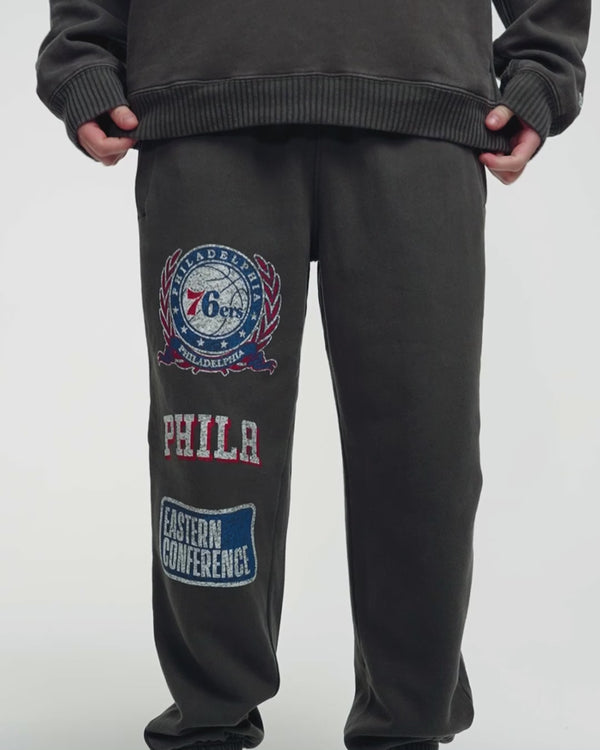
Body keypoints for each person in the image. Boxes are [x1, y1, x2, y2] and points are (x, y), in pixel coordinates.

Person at [34, 2, 590, 750]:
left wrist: (543, 66)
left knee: (426, 447)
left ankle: (409, 721)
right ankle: (210, 717)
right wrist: (82, 54)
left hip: (423, 102)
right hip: (206, 97)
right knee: (211, 446)